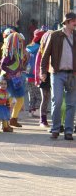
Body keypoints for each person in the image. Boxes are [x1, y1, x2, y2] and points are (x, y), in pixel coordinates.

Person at [40, 12, 76, 140]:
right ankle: (55, 129)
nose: (75, 23)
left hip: (72, 74)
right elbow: (45, 55)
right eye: (73, 21)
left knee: (71, 104)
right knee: (58, 101)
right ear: (66, 22)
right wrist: (43, 71)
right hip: (57, 73)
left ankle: (68, 131)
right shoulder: (55, 35)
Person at [0, 32, 28, 128]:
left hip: (17, 80)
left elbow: (19, 66)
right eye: (19, 41)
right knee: (9, 102)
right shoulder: (9, 53)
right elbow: (2, 66)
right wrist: (11, 72)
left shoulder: (18, 53)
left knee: (20, 100)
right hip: (9, 81)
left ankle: (13, 119)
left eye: (21, 42)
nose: (21, 43)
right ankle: (5, 123)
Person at [34, 30, 52, 127]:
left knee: (54, 98)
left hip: (54, 74)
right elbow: (37, 65)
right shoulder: (41, 51)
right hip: (44, 75)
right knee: (45, 98)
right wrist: (39, 77)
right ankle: (43, 119)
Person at [25, 29, 45, 118]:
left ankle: (30, 110)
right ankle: (37, 110)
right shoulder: (41, 47)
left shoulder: (29, 46)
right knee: (39, 94)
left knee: (31, 94)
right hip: (37, 73)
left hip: (28, 73)